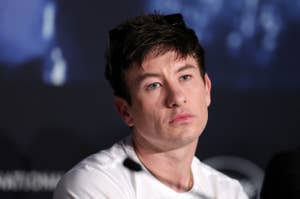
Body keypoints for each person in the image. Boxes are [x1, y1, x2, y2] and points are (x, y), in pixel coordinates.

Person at [53, 13, 249, 199]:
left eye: (185, 77)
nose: (177, 97)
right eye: (154, 85)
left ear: (207, 89)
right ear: (125, 111)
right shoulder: (93, 185)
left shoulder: (228, 191)